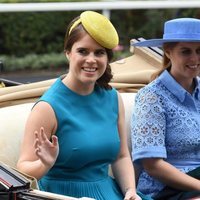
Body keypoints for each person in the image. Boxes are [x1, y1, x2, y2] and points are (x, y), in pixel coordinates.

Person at [17, 10, 143, 200]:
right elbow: (23, 169)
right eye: (83, 51)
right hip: (62, 196)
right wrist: (45, 163)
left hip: (109, 192)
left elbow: (121, 156)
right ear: (68, 53)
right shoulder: (47, 107)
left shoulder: (113, 97)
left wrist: (130, 191)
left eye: (99, 53)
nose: (91, 60)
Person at [131, 17, 200, 199]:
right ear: (168, 52)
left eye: (199, 51)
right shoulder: (152, 97)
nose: (195, 58)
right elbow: (153, 165)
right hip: (165, 188)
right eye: (186, 51)